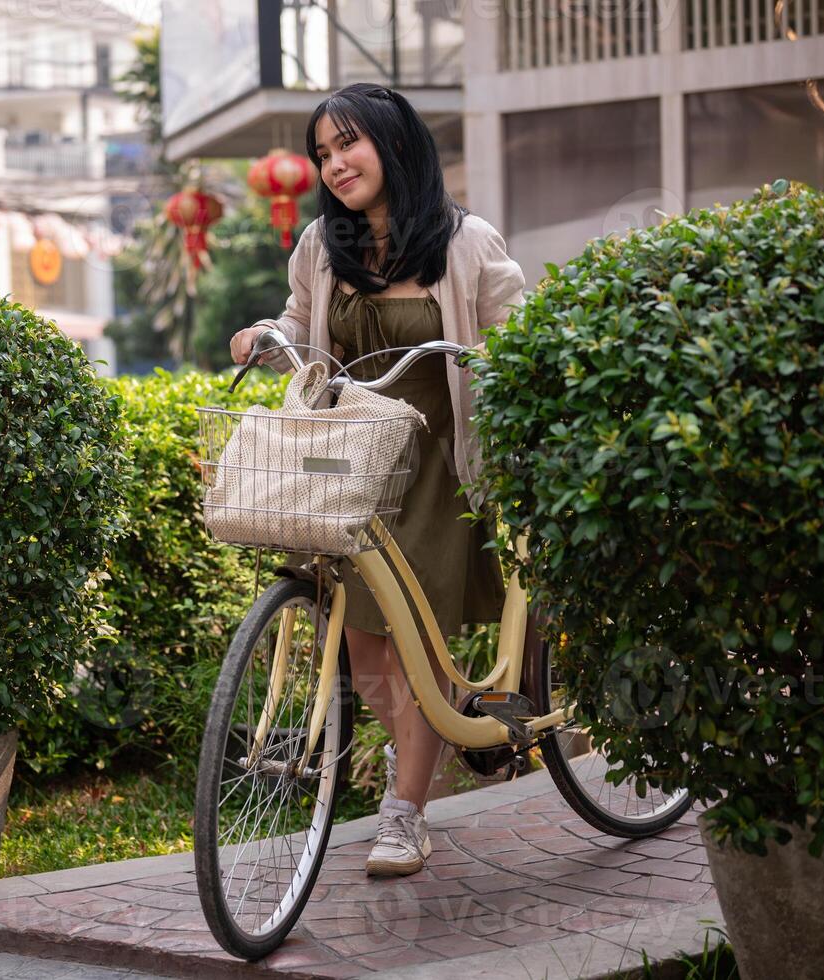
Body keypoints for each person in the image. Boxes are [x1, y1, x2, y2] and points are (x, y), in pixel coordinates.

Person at [229, 83, 526, 877]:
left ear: (393, 145)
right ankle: (435, 739)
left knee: (416, 649)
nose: (333, 165)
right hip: (346, 465)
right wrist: (266, 333)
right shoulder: (324, 247)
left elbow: (514, 334)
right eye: (322, 153)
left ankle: (404, 814)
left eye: (346, 145)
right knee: (364, 654)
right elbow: (299, 319)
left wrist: (499, 371)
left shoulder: (466, 243)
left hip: (432, 467)